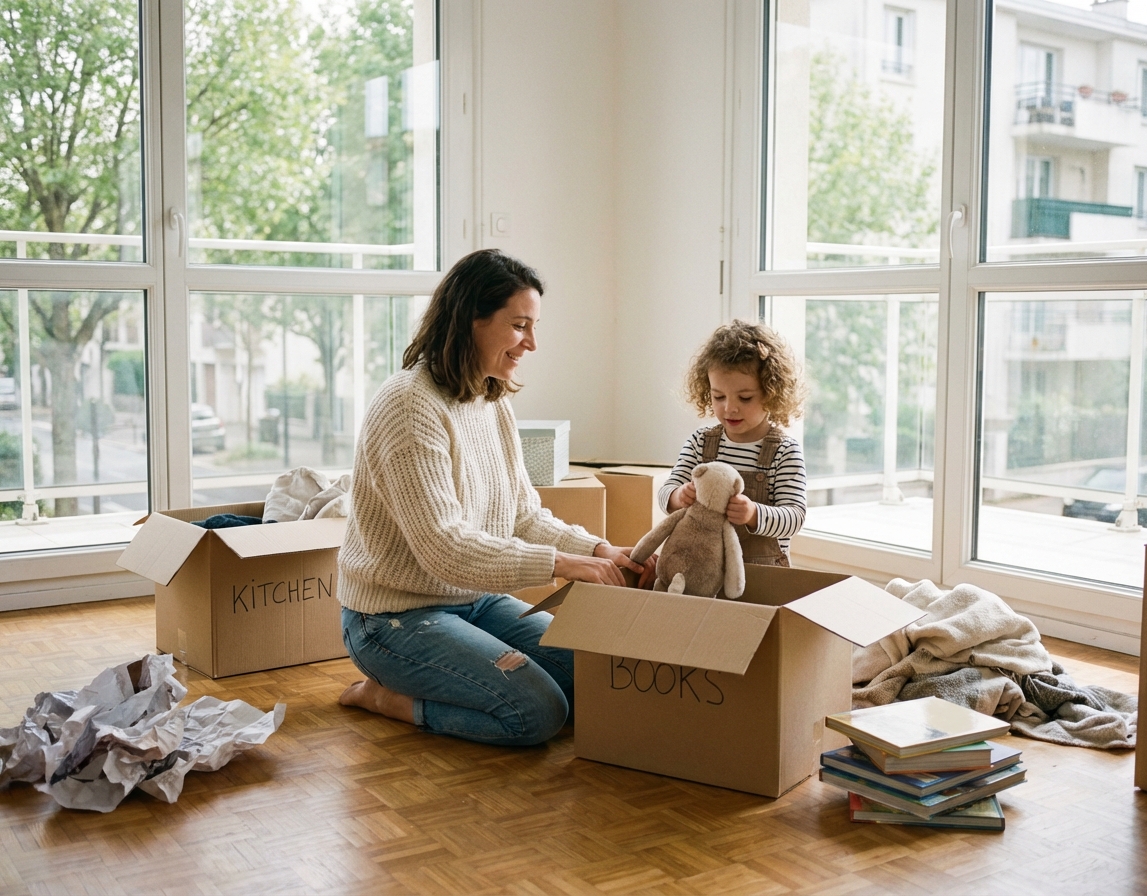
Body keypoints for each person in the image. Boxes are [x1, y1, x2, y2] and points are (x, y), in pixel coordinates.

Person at [337, 248, 652, 747]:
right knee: (538, 712)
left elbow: (522, 514)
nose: (532, 342)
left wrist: (598, 550)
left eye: (534, 325)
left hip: (473, 603)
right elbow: (444, 547)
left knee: (600, 677)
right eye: (520, 325)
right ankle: (385, 698)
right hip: (394, 620)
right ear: (471, 321)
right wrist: (564, 565)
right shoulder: (407, 406)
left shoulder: (491, 396)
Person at [660, 320, 807, 567]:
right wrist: (678, 496)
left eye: (745, 397)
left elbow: (794, 517)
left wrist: (753, 514)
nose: (729, 408)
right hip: (701, 567)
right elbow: (667, 490)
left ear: (772, 393)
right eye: (719, 396)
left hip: (760, 573)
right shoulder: (700, 442)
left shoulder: (784, 451)